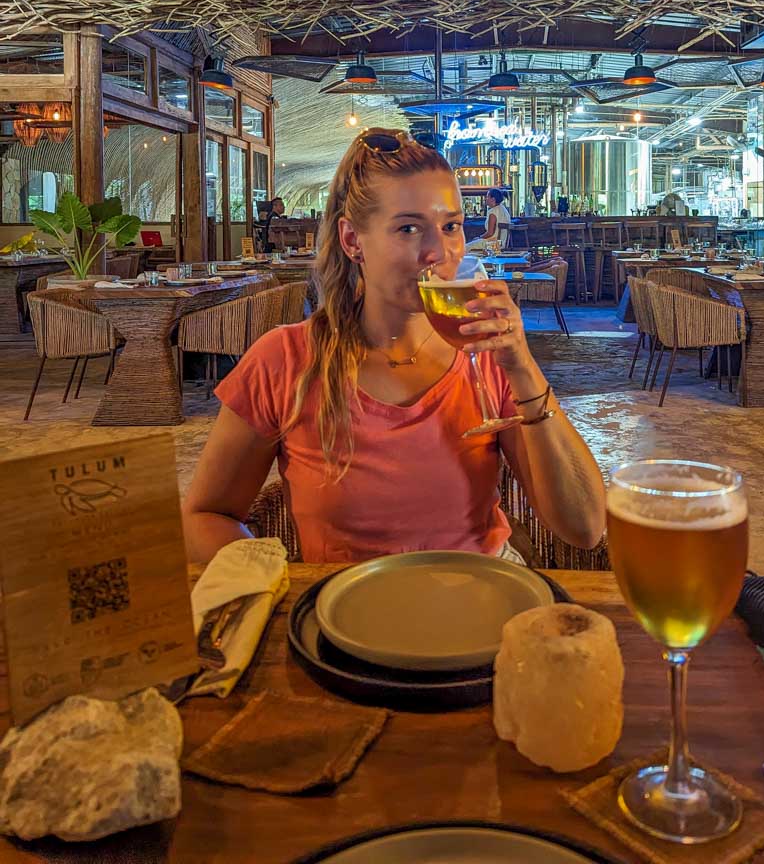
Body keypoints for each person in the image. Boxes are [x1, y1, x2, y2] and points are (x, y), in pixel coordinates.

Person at [183, 129, 605, 564]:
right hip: (343, 613)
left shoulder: (487, 356)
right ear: (352, 241)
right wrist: (281, 588)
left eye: (451, 227)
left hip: (481, 601)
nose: (438, 252)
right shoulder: (286, 360)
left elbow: (585, 527)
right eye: (408, 227)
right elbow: (206, 515)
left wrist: (523, 368)